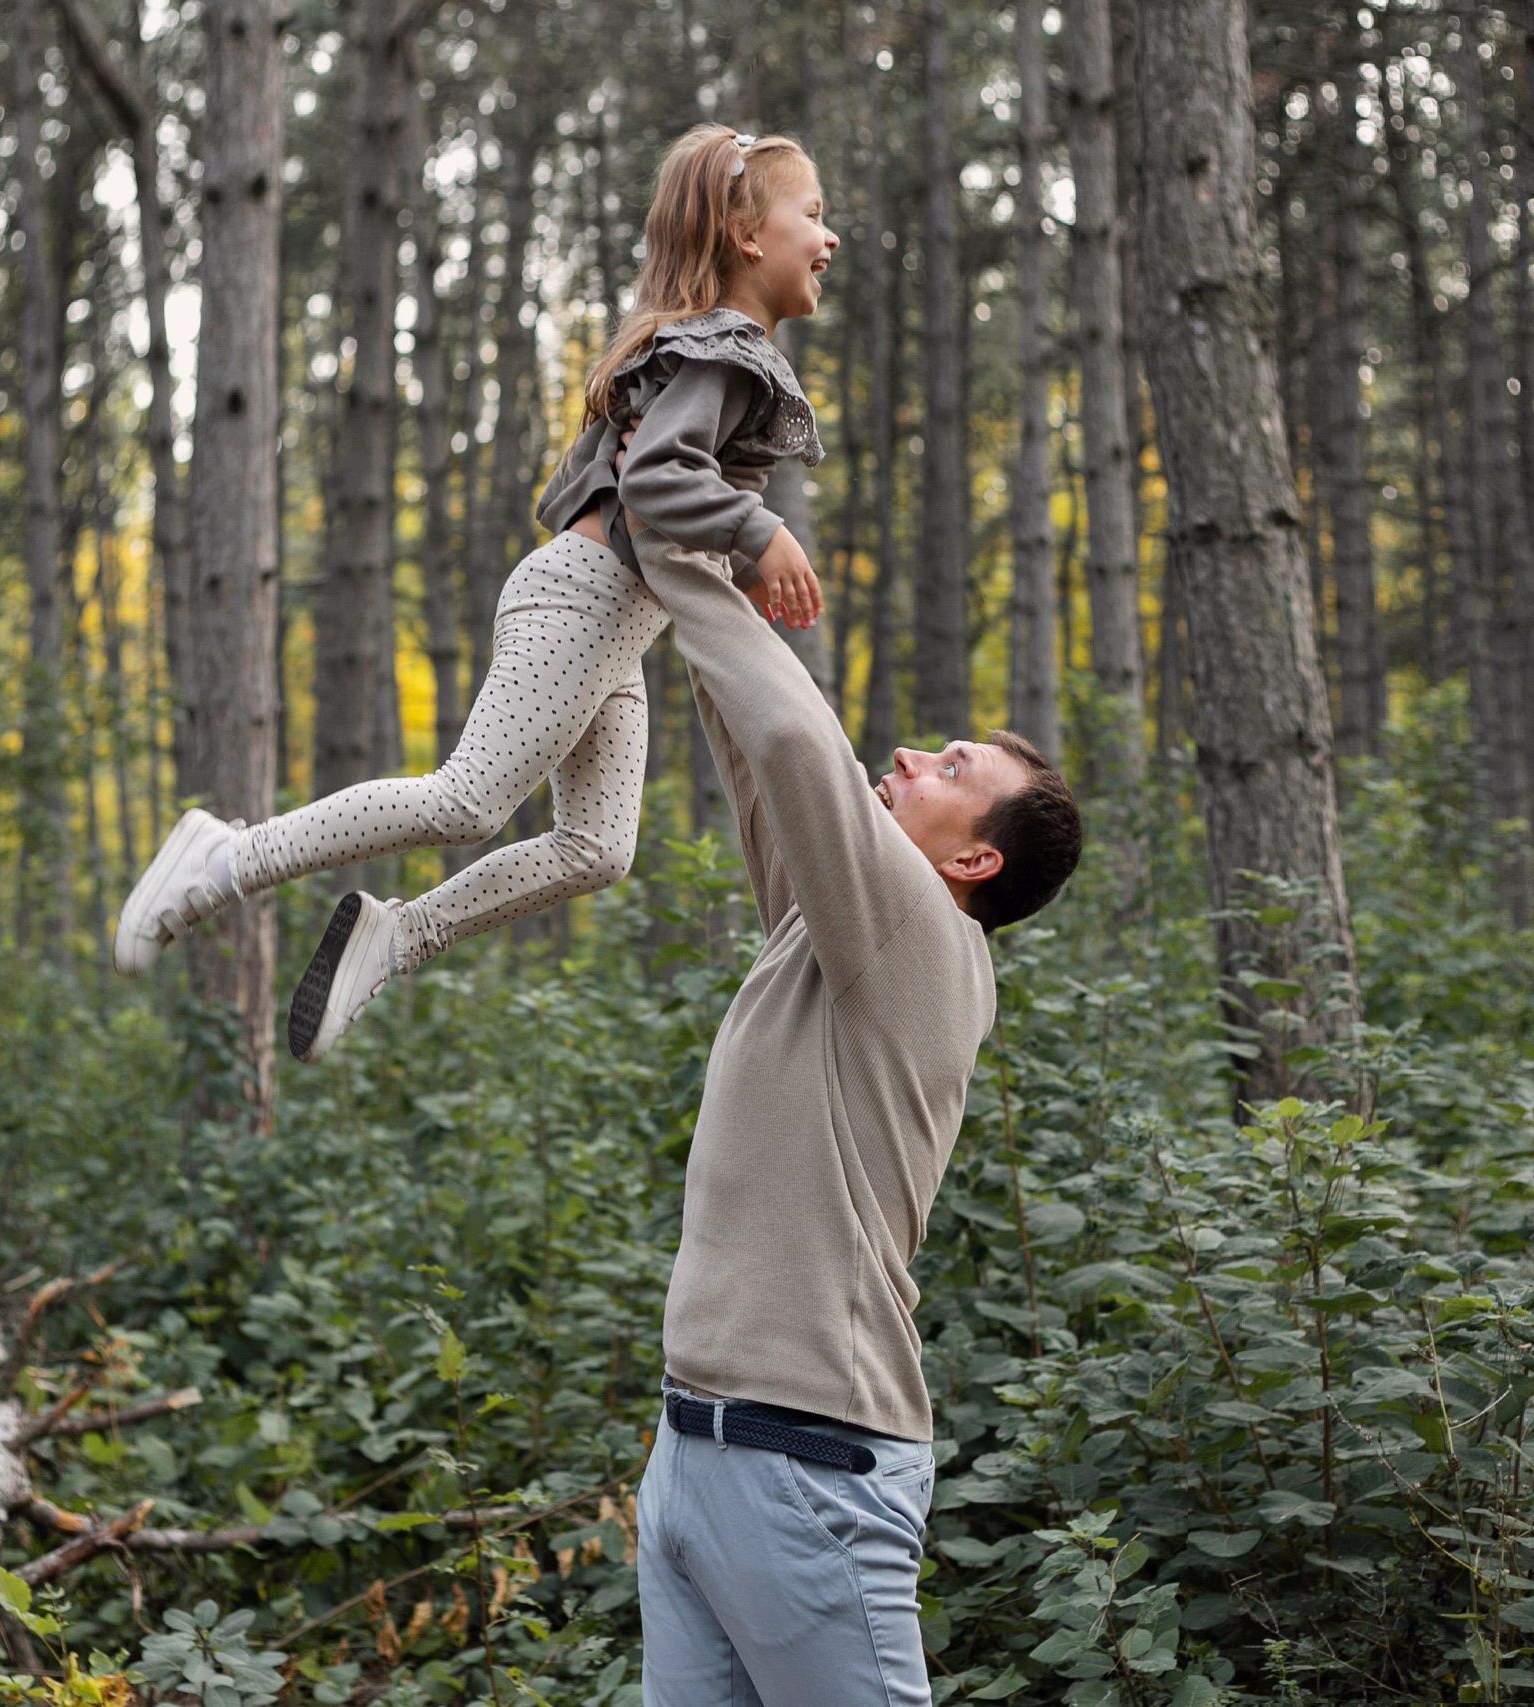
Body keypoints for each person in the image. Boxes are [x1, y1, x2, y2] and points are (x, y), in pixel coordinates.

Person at [109, 124, 837, 1062]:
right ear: (747, 236)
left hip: (613, 627)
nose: (828, 239)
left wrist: (735, 555)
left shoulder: (704, 353)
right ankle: (224, 859)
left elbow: (640, 483)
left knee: (598, 849)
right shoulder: (721, 352)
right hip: (584, 602)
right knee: (465, 800)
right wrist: (759, 532)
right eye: (811, 216)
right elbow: (656, 476)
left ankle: (397, 935)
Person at [623, 504, 1084, 1694]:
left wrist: (682, 553)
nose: (917, 755)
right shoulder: (833, 931)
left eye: (953, 770)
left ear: (971, 862)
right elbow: (752, 743)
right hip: (692, 1458)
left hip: (808, 1473)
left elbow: (793, 736)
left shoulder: (924, 936)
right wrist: (703, 535)